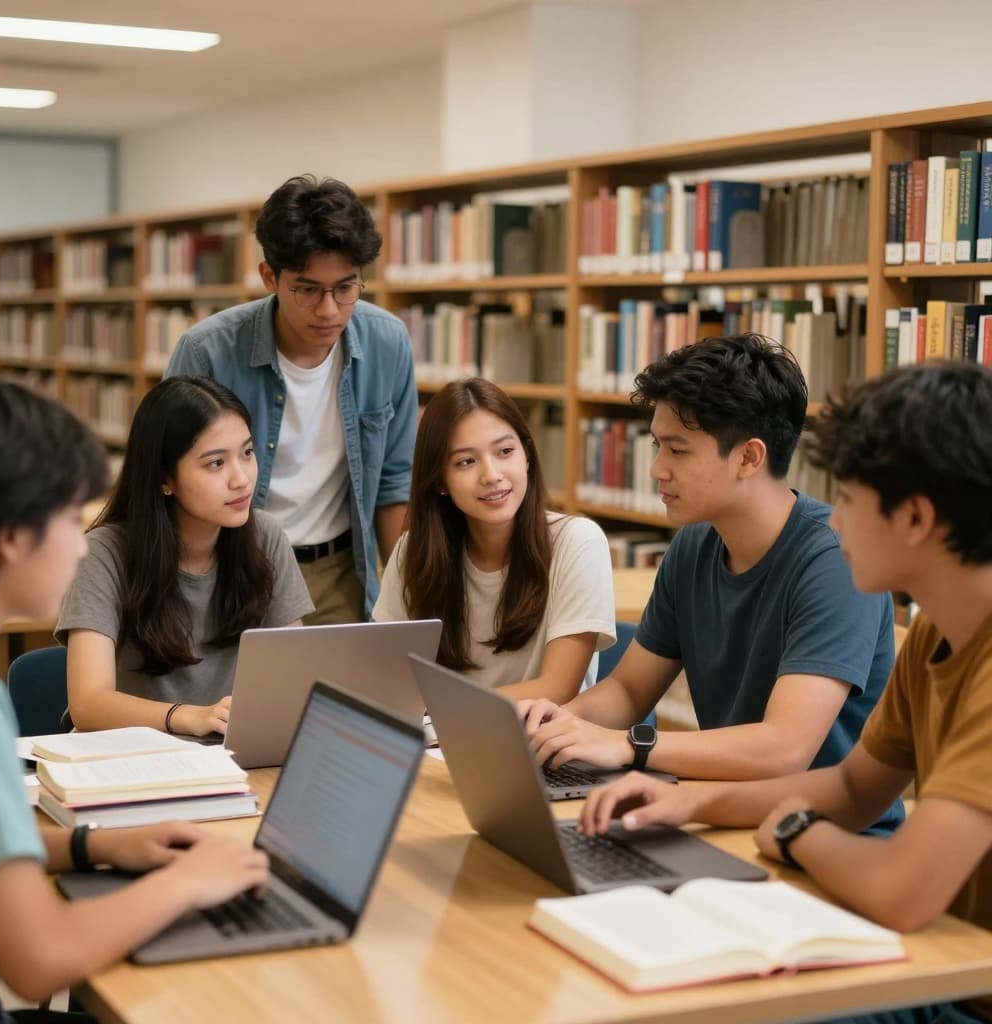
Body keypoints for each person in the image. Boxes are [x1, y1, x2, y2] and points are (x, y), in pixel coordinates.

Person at [579, 361, 992, 1024]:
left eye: (851, 502)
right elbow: (856, 788)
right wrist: (689, 802)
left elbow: (901, 891)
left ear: (914, 517)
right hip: (937, 963)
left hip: (958, 992)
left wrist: (797, 830)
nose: (835, 524)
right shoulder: (938, 633)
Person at [0, 380, 269, 1023]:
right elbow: (40, 959)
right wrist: (186, 883)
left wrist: (92, 848)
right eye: (71, 519)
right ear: (12, 538)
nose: (83, 543)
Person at [521, 335, 898, 815]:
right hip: (722, 810)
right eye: (657, 447)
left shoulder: (834, 561)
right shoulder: (695, 543)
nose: (656, 469)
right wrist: (558, 726)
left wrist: (629, 746)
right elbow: (630, 689)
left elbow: (785, 747)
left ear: (749, 458)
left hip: (824, 833)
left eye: (677, 451)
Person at [165, 174, 416, 624]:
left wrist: (408, 600)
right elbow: (165, 477)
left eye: (346, 287)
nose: (329, 310)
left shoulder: (388, 342)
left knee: (344, 694)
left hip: (340, 570)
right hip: (231, 567)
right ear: (269, 277)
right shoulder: (209, 351)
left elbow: (395, 483)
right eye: (307, 289)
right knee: (239, 697)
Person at [58, 376, 312, 737]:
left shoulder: (264, 536)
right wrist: (189, 716)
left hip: (231, 754)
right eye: (215, 464)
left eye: (247, 453)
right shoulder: (104, 552)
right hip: (130, 760)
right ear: (166, 478)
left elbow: (295, 675)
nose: (241, 478)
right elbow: (88, 703)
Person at [373, 378, 615, 701]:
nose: (491, 475)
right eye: (466, 462)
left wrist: (444, 712)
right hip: (441, 743)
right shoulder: (413, 551)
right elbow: (387, 678)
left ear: (526, 456)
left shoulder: (577, 543)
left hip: (537, 743)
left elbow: (556, 690)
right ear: (440, 481)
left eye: (505, 451)